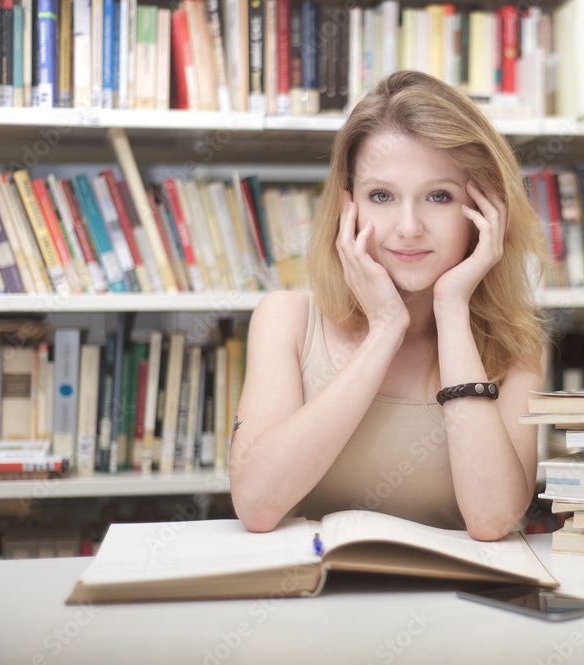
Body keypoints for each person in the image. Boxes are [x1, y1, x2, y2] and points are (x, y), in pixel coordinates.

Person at [229, 70, 549, 541]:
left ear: (485, 214)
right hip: (315, 602)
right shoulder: (287, 319)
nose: (408, 227)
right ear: (347, 208)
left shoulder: (516, 347)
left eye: (439, 196)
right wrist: (384, 329)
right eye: (382, 195)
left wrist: (452, 308)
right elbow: (256, 506)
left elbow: (492, 519)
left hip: (457, 609)